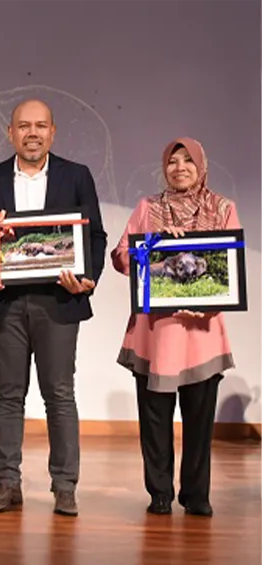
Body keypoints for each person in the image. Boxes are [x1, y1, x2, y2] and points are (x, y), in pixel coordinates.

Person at [0, 99, 107, 517]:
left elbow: (94, 236)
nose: (32, 133)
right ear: (10, 133)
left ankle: (65, 486)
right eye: (24, 126)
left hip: (59, 301)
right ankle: (8, 483)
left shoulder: (76, 176)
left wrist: (88, 276)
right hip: (5, 302)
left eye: (40, 126)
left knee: (59, 394)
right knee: (8, 395)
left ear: (52, 132)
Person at [111, 138, 239, 517]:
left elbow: (231, 267)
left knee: (199, 421)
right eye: (172, 161)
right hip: (155, 334)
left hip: (202, 333)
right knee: (154, 419)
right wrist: (154, 243)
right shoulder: (148, 208)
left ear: (201, 166)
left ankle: (196, 495)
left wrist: (208, 299)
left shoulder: (223, 209)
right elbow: (120, 256)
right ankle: (160, 493)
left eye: (187, 161)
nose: (179, 168)